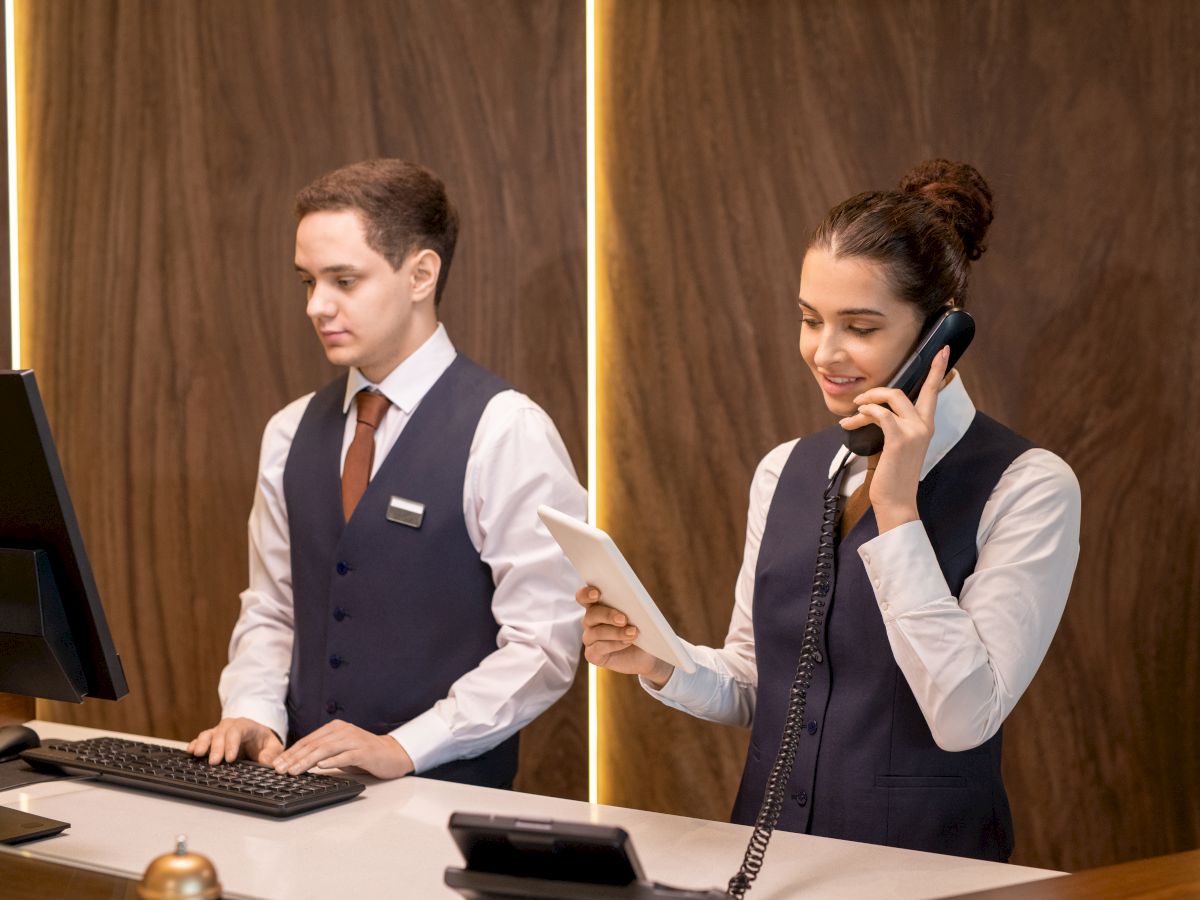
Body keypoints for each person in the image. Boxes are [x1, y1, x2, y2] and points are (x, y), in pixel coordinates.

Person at [578, 160, 1080, 861]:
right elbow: (757, 684)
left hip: (923, 871)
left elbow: (967, 717)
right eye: (810, 319)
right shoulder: (785, 470)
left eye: (860, 327)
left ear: (941, 337)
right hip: (770, 859)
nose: (824, 352)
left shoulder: (1030, 486)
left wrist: (897, 508)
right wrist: (658, 663)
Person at [188, 159, 586, 788]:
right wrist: (252, 712)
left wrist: (405, 746)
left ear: (420, 274)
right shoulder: (288, 432)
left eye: (344, 280)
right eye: (307, 282)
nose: (318, 306)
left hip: (445, 803)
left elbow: (546, 645)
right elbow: (272, 610)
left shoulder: (506, 430)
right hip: (295, 794)